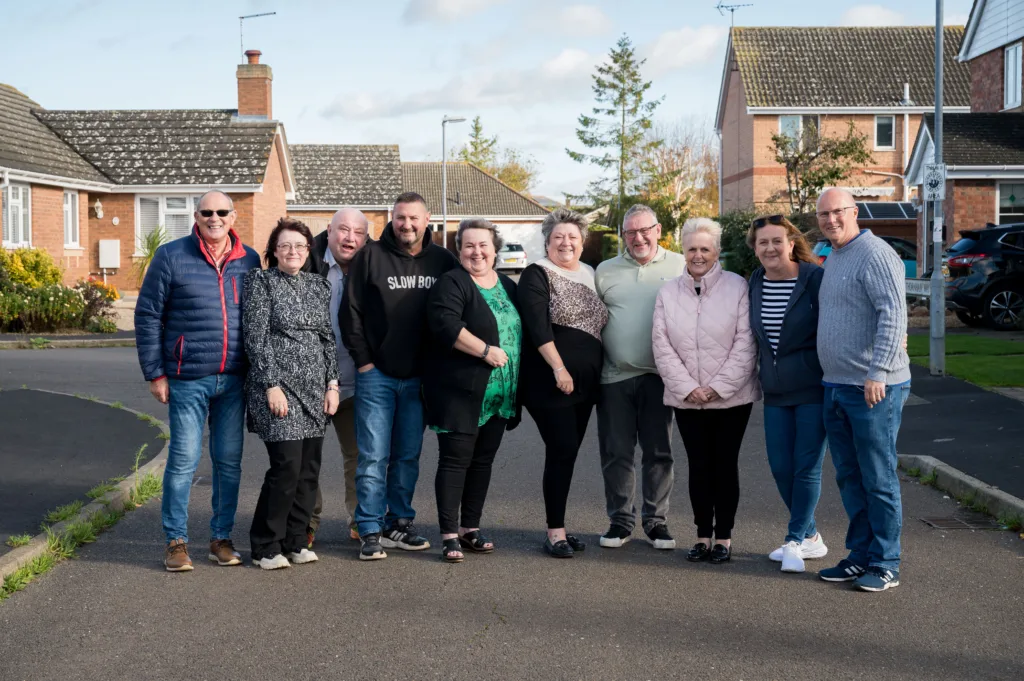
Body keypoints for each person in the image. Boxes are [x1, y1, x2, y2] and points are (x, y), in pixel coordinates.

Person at [135, 190, 261, 572]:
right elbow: (148, 315)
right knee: (184, 461)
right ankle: (176, 542)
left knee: (229, 462)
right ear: (196, 215)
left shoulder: (250, 260)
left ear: (233, 216)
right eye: (207, 212)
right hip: (187, 378)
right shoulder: (171, 256)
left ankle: (220, 538)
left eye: (222, 211)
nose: (214, 218)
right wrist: (155, 373)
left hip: (234, 379)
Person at [341, 192, 459, 560]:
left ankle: (398, 523)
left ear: (427, 221)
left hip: (421, 378)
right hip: (377, 375)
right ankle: (371, 528)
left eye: (414, 218)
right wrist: (363, 362)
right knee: (373, 456)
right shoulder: (370, 257)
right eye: (400, 217)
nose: (407, 224)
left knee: (407, 456)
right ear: (392, 218)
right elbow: (352, 313)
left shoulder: (443, 261)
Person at [814, 188, 911, 593]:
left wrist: (878, 371)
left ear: (854, 212)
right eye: (824, 214)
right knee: (850, 477)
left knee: (878, 477)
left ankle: (886, 562)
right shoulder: (834, 257)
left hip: (873, 388)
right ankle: (860, 555)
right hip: (836, 385)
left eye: (838, 212)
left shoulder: (876, 253)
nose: (831, 219)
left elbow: (894, 314)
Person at [652, 217, 760, 565]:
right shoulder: (668, 292)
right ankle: (701, 535)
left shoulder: (737, 286)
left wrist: (716, 387)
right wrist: (688, 388)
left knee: (724, 466)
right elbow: (661, 343)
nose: (698, 255)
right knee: (699, 466)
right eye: (692, 249)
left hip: (731, 398)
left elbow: (746, 342)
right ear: (683, 250)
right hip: (686, 399)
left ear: (716, 251)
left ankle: (724, 538)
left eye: (705, 249)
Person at [243, 218, 339, 569]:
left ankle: (297, 541)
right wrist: (271, 385)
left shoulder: (318, 286)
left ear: (308, 250)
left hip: (315, 392)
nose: (292, 251)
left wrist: (332, 385)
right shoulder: (260, 282)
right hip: (278, 391)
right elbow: (256, 338)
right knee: (286, 467)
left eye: (299, 245)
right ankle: (266, 545)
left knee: (308, 471)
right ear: (274, 251)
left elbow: (327, 338)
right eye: (285, 246)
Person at [425, 219, 522, 563]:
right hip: (460, 392)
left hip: (499, 394)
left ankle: (470, 529)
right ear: (458, 250)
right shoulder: (452, 283)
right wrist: (484, 350)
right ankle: (449, 534)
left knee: (482, 462)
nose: (476, 252)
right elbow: (445, 325)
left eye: (483, 245)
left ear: (495, 249)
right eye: (468, 245)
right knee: (455, 462)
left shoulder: (508, 286)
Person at [594, 204, 685, 551]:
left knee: (658, 451)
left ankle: (656, 521)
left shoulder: (679, 265)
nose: (638, 237)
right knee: (616, 452)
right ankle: (620, 520)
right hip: (614, 376)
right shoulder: (605, 271)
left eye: (644, 230)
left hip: (661, 377)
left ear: (658, 230)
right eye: (630, 232)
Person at [518, 207, 608, 559]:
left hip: (586, 385)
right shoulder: (537, 273)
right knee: (562, 450)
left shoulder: (590, 273)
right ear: (547, 242)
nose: (565, 243)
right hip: (550, 381)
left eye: (572, 237)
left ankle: (561, 529)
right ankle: (554, 533)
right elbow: (538, 327)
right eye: (558, 237)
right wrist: (559, 368)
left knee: (567, 455)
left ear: (583, 243)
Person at [747, 214, 829, 573]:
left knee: (806, 468)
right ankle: (811, 537)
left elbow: (843, 317)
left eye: (776, 241)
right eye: (762, 242)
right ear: (755, 248)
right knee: (781, 467)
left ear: (791, 243)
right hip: (776, 391)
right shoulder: (755, 282)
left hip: (813, 388)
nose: (770, 248)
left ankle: (794, 540)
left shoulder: (814, 279)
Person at [305, 208, 370, 546]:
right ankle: (306, 521)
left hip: (356, 379)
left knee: (358, 455)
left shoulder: (373, 264)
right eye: (343, 230)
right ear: (328, 231)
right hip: (311, 381)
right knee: (307, 456)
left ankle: (360, 518)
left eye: (358, 232)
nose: (350, 238)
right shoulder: (307, 260)